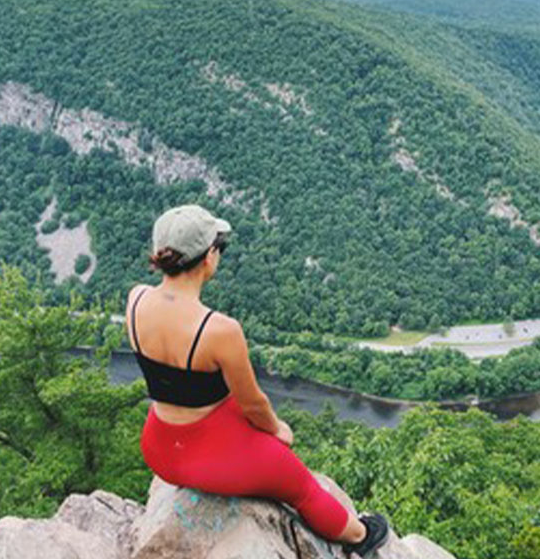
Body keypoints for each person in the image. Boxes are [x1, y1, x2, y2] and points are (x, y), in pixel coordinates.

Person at [125, 204, 390, 557]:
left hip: (159, 448)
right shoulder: (219, 330)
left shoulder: (135, 299)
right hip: (207, 456)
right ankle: (361, 536)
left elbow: (177, 381)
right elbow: (253, 404)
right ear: (208, 258)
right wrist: (277, 430)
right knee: (302, 488)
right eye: (219, 247)